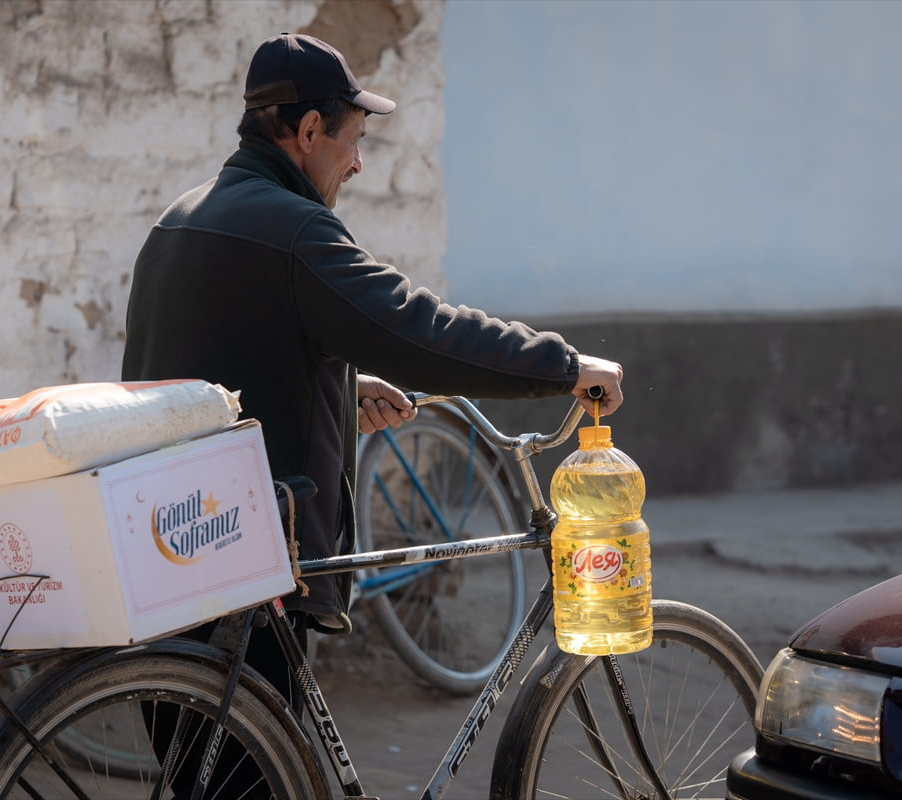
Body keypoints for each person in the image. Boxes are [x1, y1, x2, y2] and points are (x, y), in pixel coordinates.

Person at [121, 31, 624, 793]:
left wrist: (333, 383)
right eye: (353, 141)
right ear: (309, 131)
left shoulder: (181, 220)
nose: (356, 164)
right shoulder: (296, 233)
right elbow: (422, 331)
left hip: (167, 554)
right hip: (250, 562)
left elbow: (202, 369)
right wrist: (560, 364)